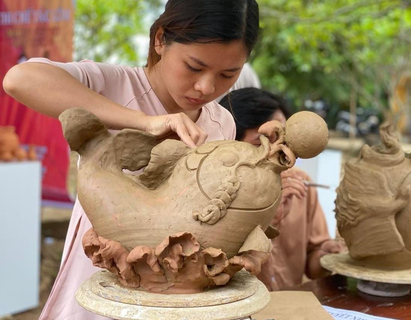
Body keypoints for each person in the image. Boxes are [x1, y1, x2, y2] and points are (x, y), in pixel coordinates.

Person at [2, 1, 259, 319]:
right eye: (194, 67)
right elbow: (19, 79)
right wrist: (144, 122)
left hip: (175, 297)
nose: (206, 87)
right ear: (160, 40)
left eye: (227, 74)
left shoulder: (222, 123)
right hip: (103, 289)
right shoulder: (111, 87)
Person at [219, 87, 344, 291]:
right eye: (261, 143)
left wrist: (326, 254)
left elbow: (313, 267)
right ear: (230, 144)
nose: (280, 153)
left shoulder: (301, 186)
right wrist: (267, 218)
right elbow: (214, 272)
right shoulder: (217, 195)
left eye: (285, 142)